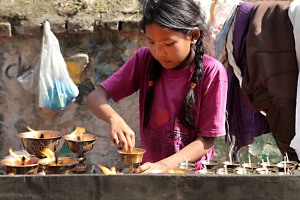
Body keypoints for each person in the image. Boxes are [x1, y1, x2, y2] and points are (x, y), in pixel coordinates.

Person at [87, 0, 228, 173]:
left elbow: (206, 141)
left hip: (191, 176)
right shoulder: (144, 59)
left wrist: (164, 166)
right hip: (150, 172)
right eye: (151, 42)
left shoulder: (212, 72)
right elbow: (95, 97)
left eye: (168, 44)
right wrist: (113, 118)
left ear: (193, 36)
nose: (159, 52)